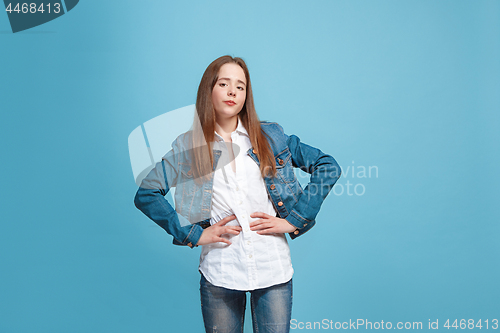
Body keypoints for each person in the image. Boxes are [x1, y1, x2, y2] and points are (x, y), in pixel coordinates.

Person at [134, 55, 341, 333]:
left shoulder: (271, 136)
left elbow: (328, 167)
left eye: (240, 86)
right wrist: (193, 235)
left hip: (273, 270)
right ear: (209, 90)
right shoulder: (190, 147)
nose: (233, 91)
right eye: (224, 83)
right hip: (221, 271)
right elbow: (147, 193)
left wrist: (295, 219)